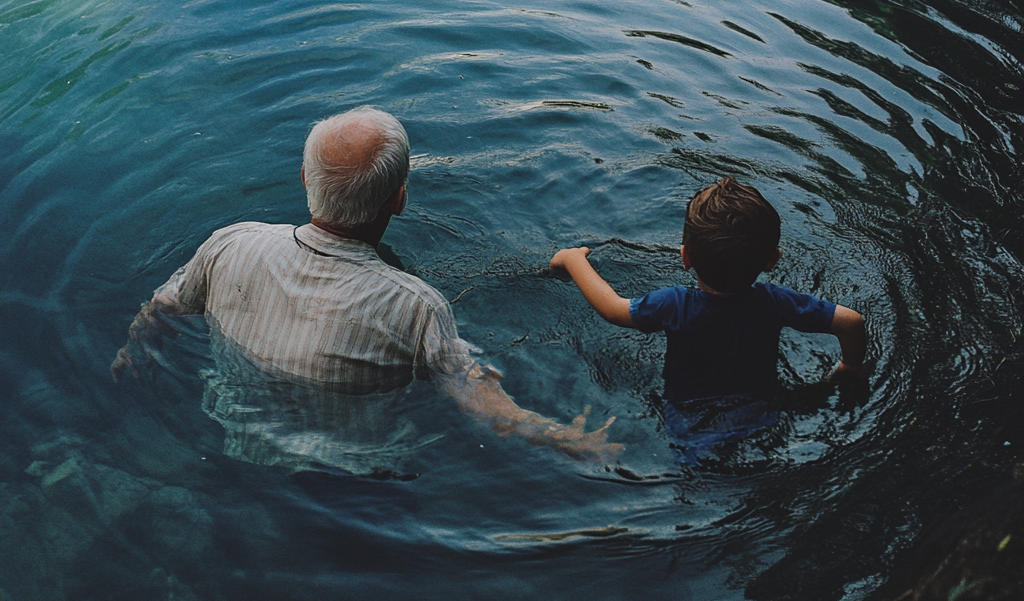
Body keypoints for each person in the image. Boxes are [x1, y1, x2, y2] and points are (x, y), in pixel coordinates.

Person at [113, 107, 621, 463]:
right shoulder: (415, 306)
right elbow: (481, 405)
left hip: (234, 432)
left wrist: (131, 354)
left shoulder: (230, 243)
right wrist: (569, 440)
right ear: (398, 200)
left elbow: (160, 309)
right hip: (352, 471)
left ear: (304, 179)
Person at [549, 177, 867, 463]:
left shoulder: (674, 304)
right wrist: (848, 367)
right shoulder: (776, 301)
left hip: (687, 423)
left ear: (685, 257)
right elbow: (851, 321)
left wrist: (573, 259)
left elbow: (611, 308)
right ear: (773, 260)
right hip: (762, 413)